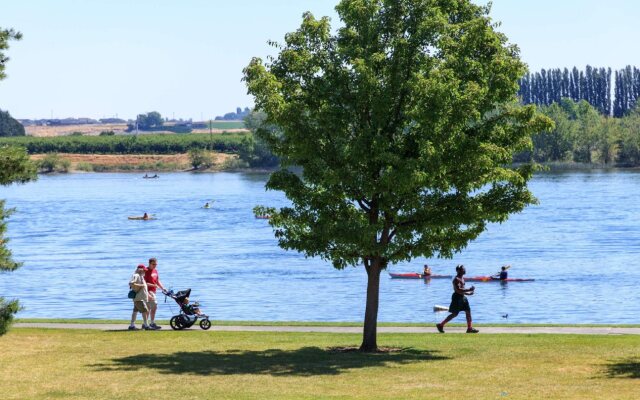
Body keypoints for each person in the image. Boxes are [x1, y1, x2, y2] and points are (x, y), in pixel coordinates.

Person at [436, 265, 479, 333]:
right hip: (457, 298)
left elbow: (461, 291)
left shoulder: (462, 278)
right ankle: (441, 325)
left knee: (468, 312)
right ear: (458, 270)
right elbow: (458, 290)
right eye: (462, 269)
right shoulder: (456, 279)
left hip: (463, 297)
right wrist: (469, 289)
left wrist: (468, 294)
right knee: (455, 314)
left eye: (464, 269)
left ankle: (469, 328)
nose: (464, 270)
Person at [144, 257, 166, 330]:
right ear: (149, 263)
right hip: (147, 291)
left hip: (153, 291)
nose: (155, 266)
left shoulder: (155, 271)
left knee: (152, 308)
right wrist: (148, 293)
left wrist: (163, 288)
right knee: (151, 307)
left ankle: (149, 323)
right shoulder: (146, 271)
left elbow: (157, 281)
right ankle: (147, 323)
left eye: (156, 264)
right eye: (153, 264)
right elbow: (144, 283)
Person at [129, 264, 150, 330]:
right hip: (139, 298)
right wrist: (141, 285)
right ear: (140, 270)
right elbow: (131, 283)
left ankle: (132, 326)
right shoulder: (136, 275)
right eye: (144, 270)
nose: (145, 271)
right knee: (145, 310)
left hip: (140, 297)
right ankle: (146, 325)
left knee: (135, 311)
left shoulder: (140, 276)